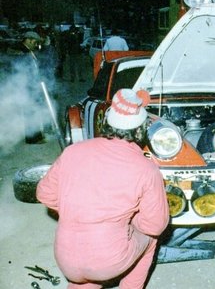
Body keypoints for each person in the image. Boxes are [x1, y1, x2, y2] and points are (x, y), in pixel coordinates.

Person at [36, 88, 170, 289]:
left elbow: (44, 194)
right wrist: (130, 220)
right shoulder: (145, 168)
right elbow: (155, 225)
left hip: (65, 260)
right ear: (141, 128)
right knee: (150, 240)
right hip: (108, 262)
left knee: (87, 273)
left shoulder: (73, 151)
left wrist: (75, 211)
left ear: (107, 122)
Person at [8, 31, 46, 144]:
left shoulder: (27, 50)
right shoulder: (20, 51)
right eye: (35, 42)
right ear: (28, 40)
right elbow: (20, 71)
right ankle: (32, 138)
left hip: (31, 85)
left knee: (33, 110)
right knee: (30, 111)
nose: (36, 45)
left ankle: (36, 135)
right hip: (26, 86)